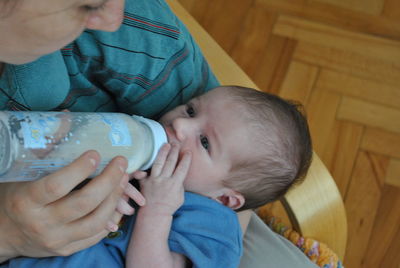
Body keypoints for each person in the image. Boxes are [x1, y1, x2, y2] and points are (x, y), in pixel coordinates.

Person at [0, 0, 218, 262]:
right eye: (87, 5)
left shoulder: (133, 34)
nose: (111, 19)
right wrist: (8, 237)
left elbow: (251, 170)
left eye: (205, 142)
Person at [0, 85, 312, 267]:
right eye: (191, 110)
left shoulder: (214, 226)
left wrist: (158, 211)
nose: (181, 125)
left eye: (205, 142)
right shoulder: (139, 156)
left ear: (226, 199)